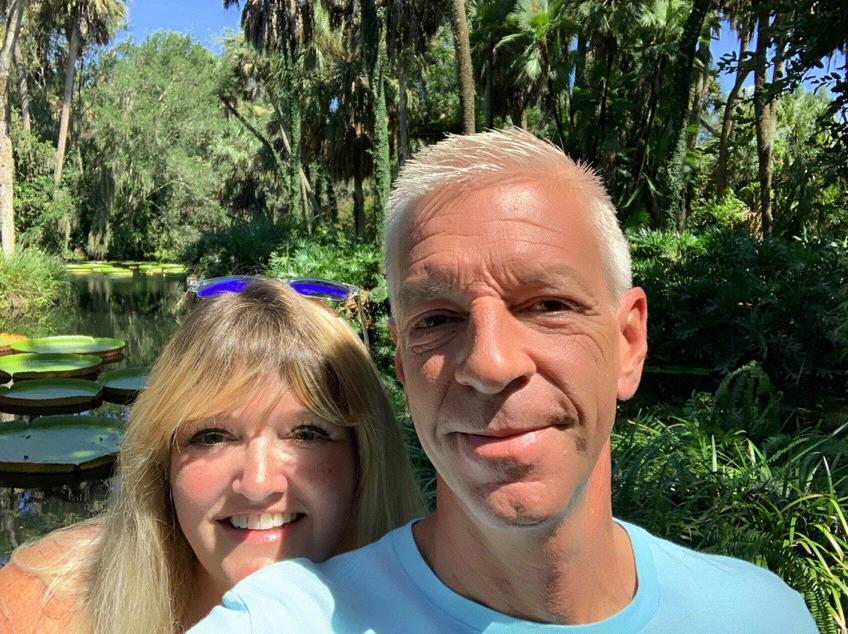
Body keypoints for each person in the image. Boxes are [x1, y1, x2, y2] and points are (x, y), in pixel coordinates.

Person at [191, 129, 816, 632]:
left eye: (547, 305)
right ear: (405, 368)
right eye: (438, 319)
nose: (489, 363)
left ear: (628, 344)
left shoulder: (762, 616)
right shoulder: (291, 619)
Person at [0, 277, 422, 633]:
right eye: (212, 436)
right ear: (162, 461)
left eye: (307, 434)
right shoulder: (39, 608)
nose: (258, 485)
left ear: (364, 459)